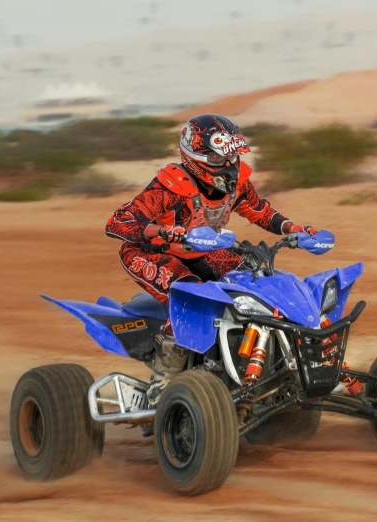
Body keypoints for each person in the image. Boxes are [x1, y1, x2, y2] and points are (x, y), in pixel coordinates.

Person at [105, 114, 317, 404]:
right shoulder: (169, 187)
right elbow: (118, 223)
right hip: (150, 252)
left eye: (231, 156)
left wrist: (295, 229)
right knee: (189, 293)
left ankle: (253, 361)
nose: (228, 165)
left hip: (202, 248)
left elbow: (260, 211)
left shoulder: (237, 183)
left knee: (253, 280)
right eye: (218, 158)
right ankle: (163, 381)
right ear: (194, 156)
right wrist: (168, 232)